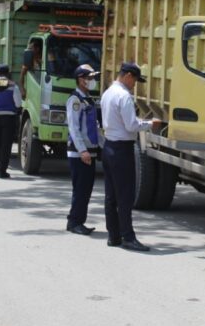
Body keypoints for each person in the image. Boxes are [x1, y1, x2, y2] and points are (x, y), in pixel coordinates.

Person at [100, 62, 161, 251]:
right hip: (121, 149)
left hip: (109, 145)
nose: (135, 84)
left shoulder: (108, 93)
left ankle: (114, 235)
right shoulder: (124, 96)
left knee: (111, 195)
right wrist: (151, 124)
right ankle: (128, 237)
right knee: (125, 196)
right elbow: (131, 125)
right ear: (127, 76)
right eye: (134, 79)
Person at [65, 64, 101, 236]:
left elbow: (94, 126)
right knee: (80, 189)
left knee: (86, 189)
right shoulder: (75, 100)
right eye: (90, 78)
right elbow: (74, 128)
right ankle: (74, 222)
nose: (92, 81)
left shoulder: (88, 98)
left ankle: (79, 220)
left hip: (90, 151)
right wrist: (82, 150)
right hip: (80, 153)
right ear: (81, 79)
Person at [0, 64, 22, 178]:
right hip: (9, 117)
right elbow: (18, 103)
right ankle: (2, 171)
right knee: (6, 145)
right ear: (8, 73)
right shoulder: (13, 85)